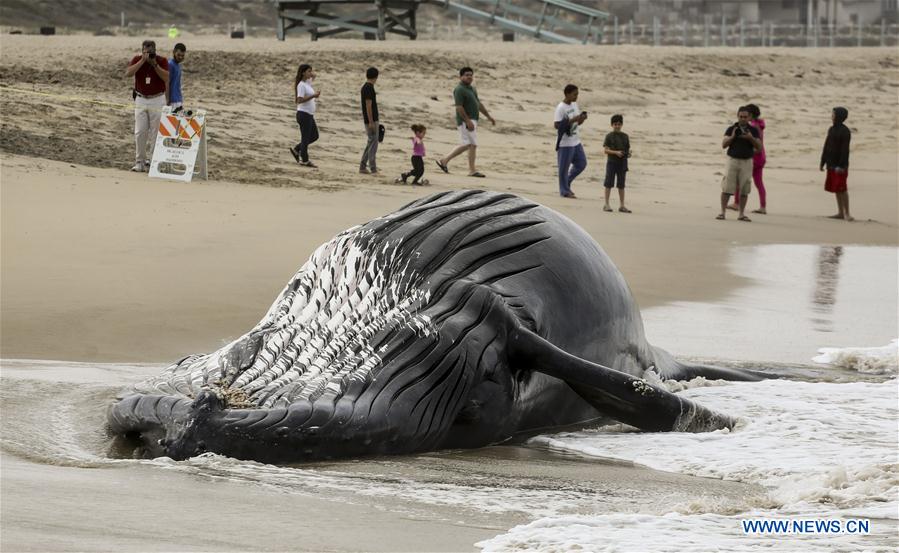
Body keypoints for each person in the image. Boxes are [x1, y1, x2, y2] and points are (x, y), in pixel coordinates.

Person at [435, 67, 495, 178]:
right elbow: (459, 107)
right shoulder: (459, 89)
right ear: (461, 76)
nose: (469, 77)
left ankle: (445, 161)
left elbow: (478, 104)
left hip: (473, 119)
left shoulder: (472, 89)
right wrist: (467, 121)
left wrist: (488, 116)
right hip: (465, 121)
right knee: (471, 145)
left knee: (469, 144)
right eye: (467, 75)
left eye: (471, 75)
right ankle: (471, 170)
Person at [125, 39, 169, 172]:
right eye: (146, 50)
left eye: (151, 50)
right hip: (141, 98)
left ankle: (154, 161)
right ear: (142, 49)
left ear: (155, 50)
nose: (148, 52)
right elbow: (128, 73)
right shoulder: (137, 59)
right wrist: (142, 61)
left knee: (156, 132)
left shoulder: (162, 61)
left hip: (157, 98)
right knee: (140, 131)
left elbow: (166, 78)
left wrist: (154, 64)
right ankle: (140, 161)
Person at [717, 106, 761, 222]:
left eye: (745, 117)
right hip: (732, 160)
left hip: (747, 161)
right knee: (727, 188)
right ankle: (722, 212)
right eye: (740, 116)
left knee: (744, 189)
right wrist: (732, 137)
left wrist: (750, 138)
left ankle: (741, 214)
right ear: (737, 116)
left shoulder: (753, 130)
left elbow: (759, 147)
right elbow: (724, 144)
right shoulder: (732, 129)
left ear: (749, 117)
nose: (742, 119)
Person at [728, 103, 767, 214]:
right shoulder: (759, 124)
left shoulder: (753, 127)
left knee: (740, 180)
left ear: (750, 115)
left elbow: (752, 142)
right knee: (759, 183)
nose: (744, 117)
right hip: (761, 157)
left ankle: (736, 203)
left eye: (746, 115)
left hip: (753, 157)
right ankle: (763, 206)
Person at [553, 84, 587, 199]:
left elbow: (577, 122)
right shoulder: (561, 108)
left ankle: (566, 183)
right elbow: (557, 125)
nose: (576, 96)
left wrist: (581, 119)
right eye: (574, 94)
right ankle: (564, 191)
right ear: (567, 94)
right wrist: (573, 119)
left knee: (581, 163)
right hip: (565, 143)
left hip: (576, 140)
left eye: (577, 94)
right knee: (563, 168)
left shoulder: (574, 104)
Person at [821, 107, 853, 221]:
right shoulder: (831, 129)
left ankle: (847, 213)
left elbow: (845, 150)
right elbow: (826, 146)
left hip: (841, 165)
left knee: (842, 189)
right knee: (836, 189)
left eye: (833, 114)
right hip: (831, 163)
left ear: (839, 116)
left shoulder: (845, 131)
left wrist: (841, 165)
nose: (832, 116)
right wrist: (823, 161)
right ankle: (840, 212)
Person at [289, 63, 320, 168]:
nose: (311, 73)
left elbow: (314, 75)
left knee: (314, 136)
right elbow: (299, 100)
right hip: (303, 114)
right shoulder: (301, 85)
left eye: (311, 71)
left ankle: (297, 149)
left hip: (309, 115)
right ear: (303, 73)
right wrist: (313, 96)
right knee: (305, 138)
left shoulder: (307, 83)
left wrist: (310, 73)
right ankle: (305, 160)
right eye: (308, 71)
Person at [602, 114, 631, 212]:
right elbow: (606, 150)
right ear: (612, 125)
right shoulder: (609, 136)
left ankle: (622, 205)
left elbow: (627, 150)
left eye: (619, 124)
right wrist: (616, 152)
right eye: (615, 124)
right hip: (611, 162)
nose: (617, 126)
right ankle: (606, 204)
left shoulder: (625, 136)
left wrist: (627, 154)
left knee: (621, 185)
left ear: (622, 125)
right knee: (608, 183)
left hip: (622, 163)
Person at [359, 67, 380, 174]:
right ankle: (373, 168)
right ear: (376, 77)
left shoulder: (366, 87)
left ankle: (362, 166)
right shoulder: (368, 88)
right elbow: (368, 106)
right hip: (371, 120)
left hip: (370, 119)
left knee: (370, 142)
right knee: (373, 144)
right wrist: (371, 121)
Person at [167, 43, 187, 112]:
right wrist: (167, 100)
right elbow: (166, 83)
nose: (180, 57)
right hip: (172, 101)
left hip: (178, 99)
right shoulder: (170, 65)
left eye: (182, 55)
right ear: (174, 52)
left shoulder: (178, 65)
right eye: (178, 55)